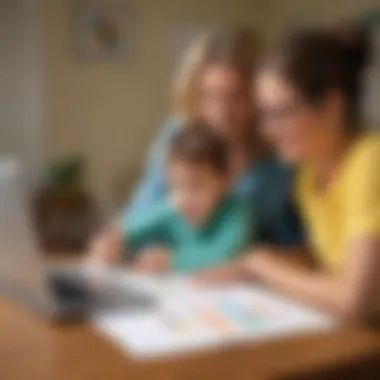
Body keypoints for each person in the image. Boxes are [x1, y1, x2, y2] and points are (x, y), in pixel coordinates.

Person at [89, 27, 302, 269]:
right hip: (173, 280)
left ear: (259, 94)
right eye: (209, 96)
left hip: (244, 282)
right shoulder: (178, 137)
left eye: (236, 96)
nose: (222, 113)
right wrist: (118, 240)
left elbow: (294, 240)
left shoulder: (279, 155)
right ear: (193, 93)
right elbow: (149, 211)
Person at [243, 26, 380, 322]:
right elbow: (330, 261)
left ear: (332, 107)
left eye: (280, 113)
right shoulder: (307, 175)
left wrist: (266, 268)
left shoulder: (370, 160)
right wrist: (259, 262)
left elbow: (353, 301)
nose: (267, 131)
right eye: (264, 115)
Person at [91, 125, 254, 273]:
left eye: (195, 185)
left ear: (225, 181)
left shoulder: (236, 213)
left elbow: (226, 255)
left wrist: (172, 260)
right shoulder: (175, 208)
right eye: (176, 186)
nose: (184, 197)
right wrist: (116, 239)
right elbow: (135, 226)